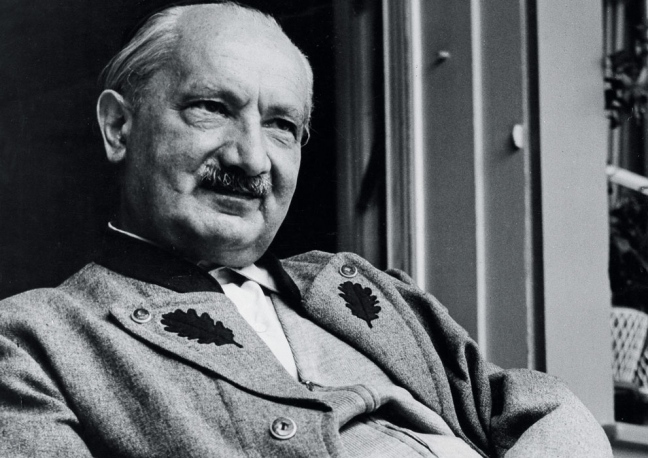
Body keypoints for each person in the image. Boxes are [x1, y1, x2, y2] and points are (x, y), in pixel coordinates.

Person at [0, 2, 612, 457]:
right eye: (212, 108)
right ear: (118, 128)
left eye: (281, 126)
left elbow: (542, 408)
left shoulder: (371, 291)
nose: (251, 159)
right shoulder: (36, 342)